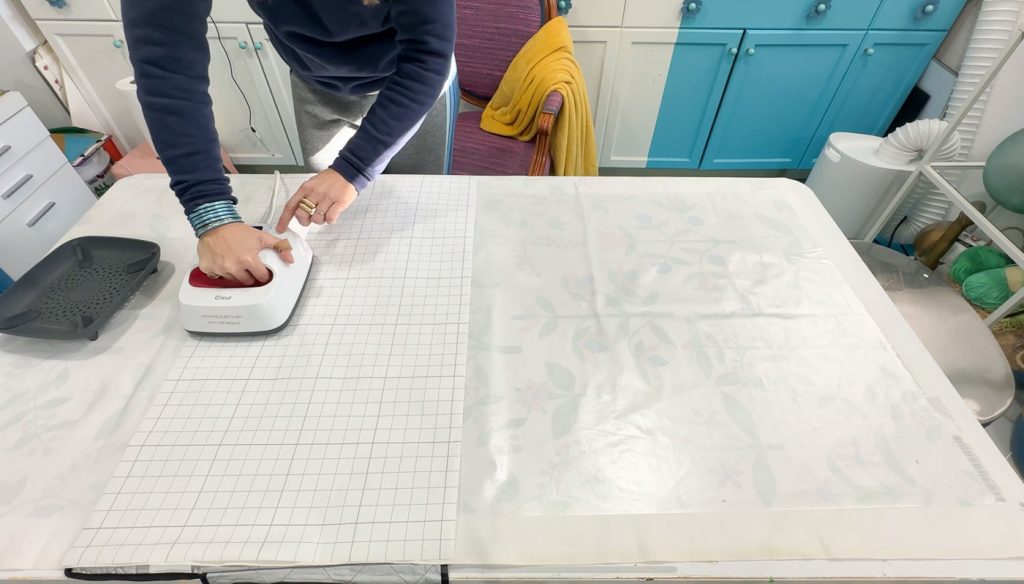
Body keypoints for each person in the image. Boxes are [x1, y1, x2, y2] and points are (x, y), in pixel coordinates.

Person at [123, 0, 457, 284]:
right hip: (314, 83)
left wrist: (353, 169)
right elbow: (166, 64)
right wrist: (212, 215)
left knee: (412, 226)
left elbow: (427, 55)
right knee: (333, 225)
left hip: (410, 85)